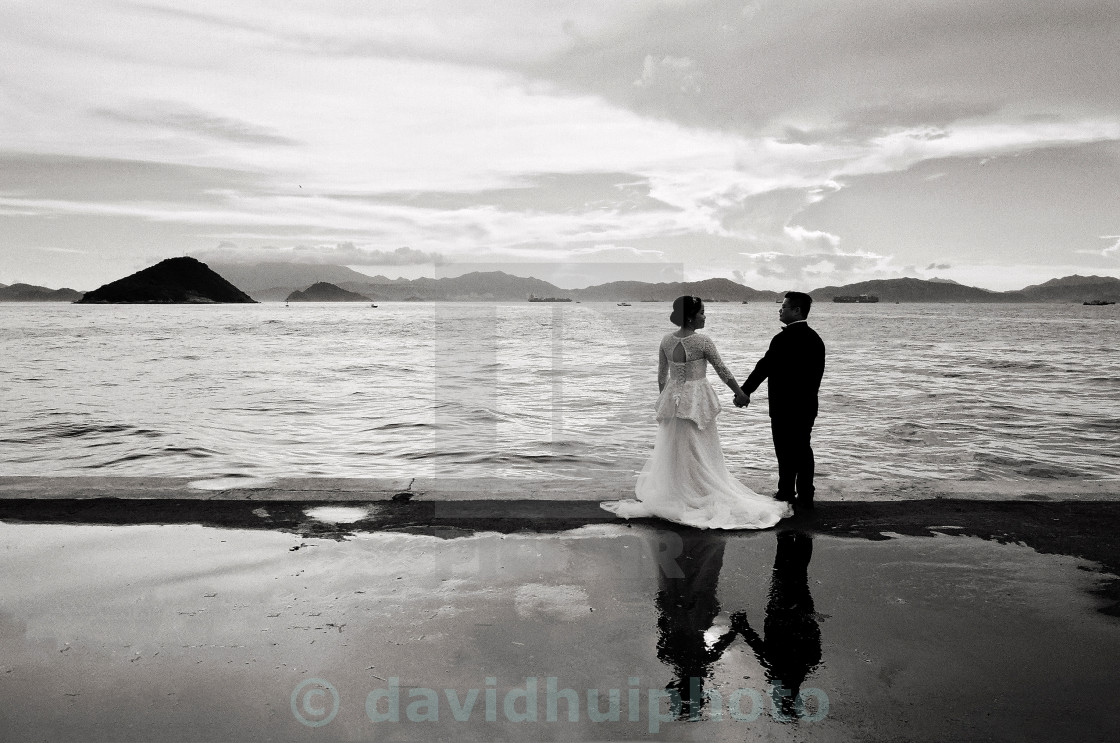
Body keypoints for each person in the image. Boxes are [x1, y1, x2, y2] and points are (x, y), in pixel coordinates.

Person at [601, 296, 792, 529]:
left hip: (673, 399)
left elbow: (662, 376)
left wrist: (667, 399)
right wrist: (740, 393)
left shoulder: (665, 340)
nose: (705, 316)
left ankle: (679, 490)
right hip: (697, 399)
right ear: (691, 316)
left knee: (678, 448)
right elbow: (722, 370)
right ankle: (699, 490)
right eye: (702, 312)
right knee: (701, 447)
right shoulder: (702, 342)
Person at [736, 291, 825, 511]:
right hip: (806, 406)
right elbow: (815, 377)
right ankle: (805, 493)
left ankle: (786, 491)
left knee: (785, 450)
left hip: (784, 406)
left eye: (784, 306)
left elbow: (764, 367)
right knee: (803, 449)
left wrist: (745, 392)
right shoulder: (816, 340)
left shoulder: (782, 339)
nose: (780, 309)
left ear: (797, 310)